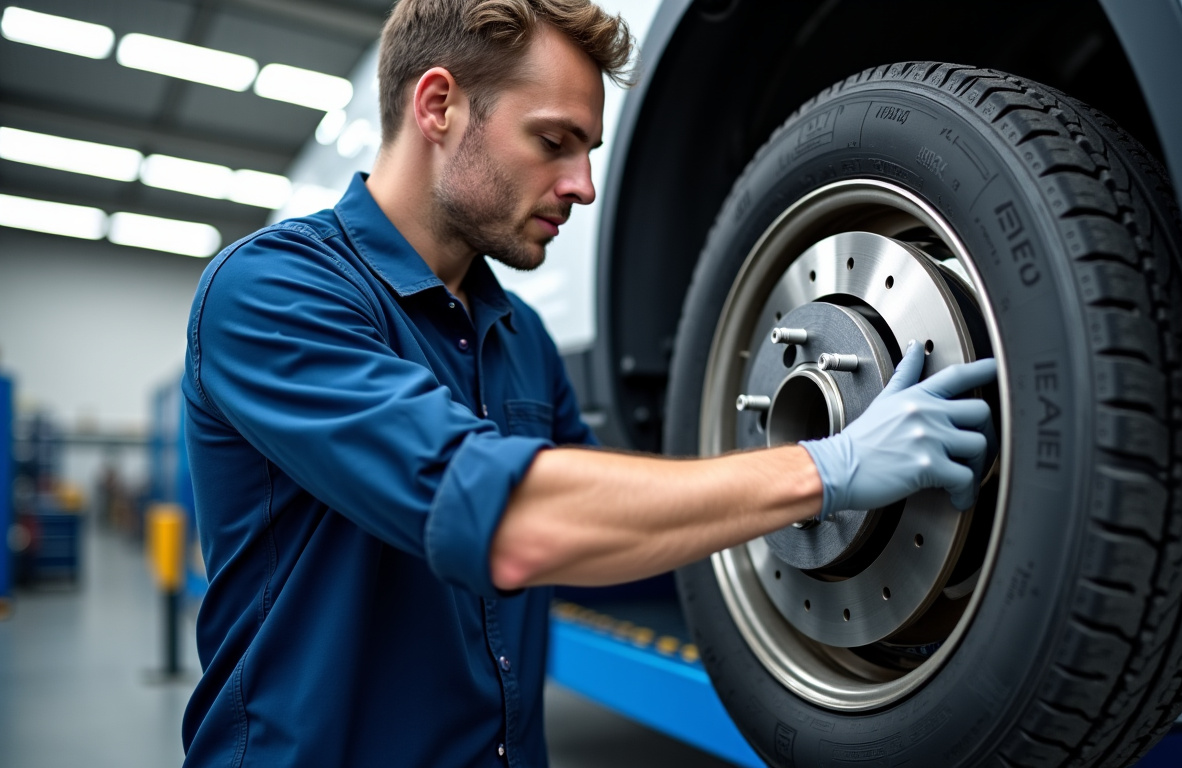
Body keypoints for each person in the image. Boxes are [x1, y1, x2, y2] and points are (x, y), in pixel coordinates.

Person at [180, 0, 998, 765]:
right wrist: (827, 469)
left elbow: (617, 534)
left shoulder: (519, 336)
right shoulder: (275, 293)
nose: (584, 186)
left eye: (589, 151)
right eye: (553, 142)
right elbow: (518, 521)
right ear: (438, 107)